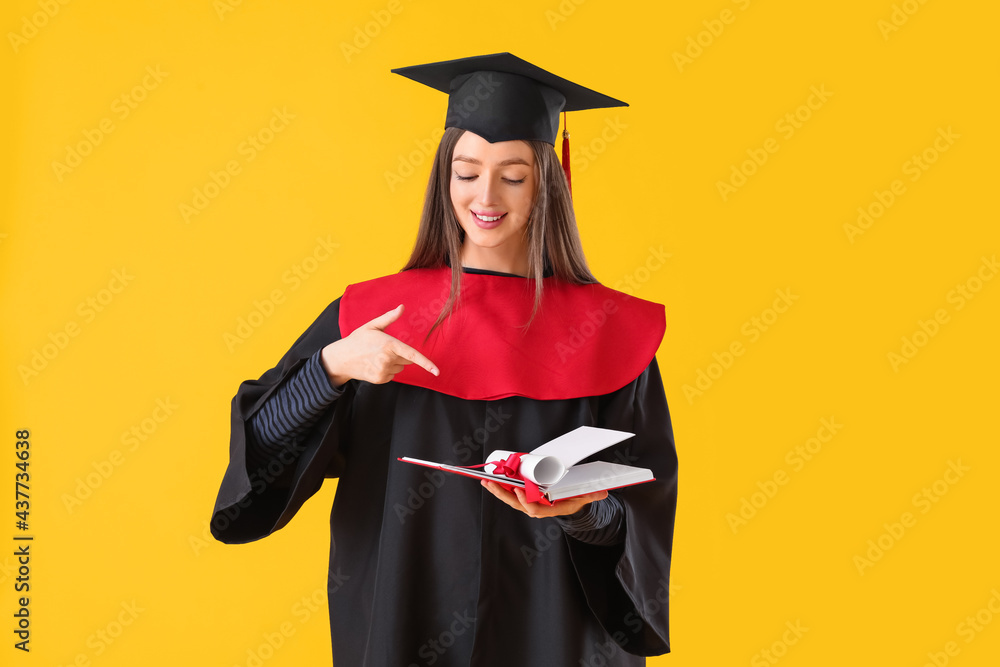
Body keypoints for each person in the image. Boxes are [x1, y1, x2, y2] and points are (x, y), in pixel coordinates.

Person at [210, 52, 678, 666]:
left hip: (557, 634)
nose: (486, 195)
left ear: (549, 181)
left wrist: (583, 511)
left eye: (512, 175)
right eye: (466, 172)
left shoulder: (611, 332)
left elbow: (636, 516)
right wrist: (330, 370)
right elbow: (260, 466)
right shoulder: (373, 316)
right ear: (443, 178)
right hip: (403, 616)